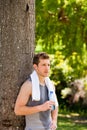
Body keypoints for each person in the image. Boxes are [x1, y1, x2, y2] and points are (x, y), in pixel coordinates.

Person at [14, 52, 59, 130]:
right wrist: (41, 107)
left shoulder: (51, 85)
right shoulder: (28, 85)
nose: (47, 68)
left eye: (48, 65)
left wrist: (54, 120)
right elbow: (17, 110)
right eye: (43, 65)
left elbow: (55, 105)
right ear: (35, 67)